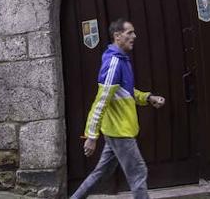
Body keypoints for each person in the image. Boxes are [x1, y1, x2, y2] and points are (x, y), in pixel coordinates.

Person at [70, 18, 166, 199]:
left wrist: (148, 97)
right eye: (129, 32)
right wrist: (91, 136)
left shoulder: (123, 61)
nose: (134, 36)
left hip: (117, 130)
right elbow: (101, 101)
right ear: (117, 36)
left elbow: (126, 92)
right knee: (138, 173)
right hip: (120, 132)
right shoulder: (114, 63)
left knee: (101, 174)